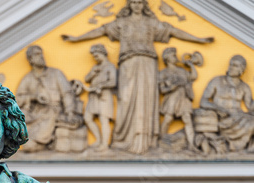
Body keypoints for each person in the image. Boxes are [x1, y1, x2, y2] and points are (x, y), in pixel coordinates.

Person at [62, 0, 213, 154]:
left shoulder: (151, 23)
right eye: (133, 2)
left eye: (139, 2)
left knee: (146, 98)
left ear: (144, 5)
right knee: (126, 98)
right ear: (129, 5)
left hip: (148, 64)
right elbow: (100, 30)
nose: (136, 5)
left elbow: (173, 31)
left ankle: (146, 141)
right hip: (127, 64)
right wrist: (77, 38)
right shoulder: (122, 23)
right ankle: (124, 140)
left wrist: (198, 40)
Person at [16, 45, 76, 152]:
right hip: (35, 114)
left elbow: (67, 93)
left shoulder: (56, 74)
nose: (42, 57)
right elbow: (18, 100)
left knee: (30, 145)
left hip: (53, 112)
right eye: (37, 54)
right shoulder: (28, 79)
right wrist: (34, 97)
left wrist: (70, 112)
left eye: (41, 53)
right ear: (31, 59)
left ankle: (44, 140)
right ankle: (41, 140)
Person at [199, 55, 254, 152]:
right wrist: (217, 108)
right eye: (231, 64)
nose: (231, 67)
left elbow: (250, 106)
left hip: (239, 117)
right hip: (222, 118)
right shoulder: (217, 81)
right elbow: (203, 101)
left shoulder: (244, 87)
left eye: (235, 65)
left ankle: (247, 148)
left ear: (242, 69)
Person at [158, 47, 198, 151]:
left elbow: (193, 77)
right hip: (171, 98)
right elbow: (162, 90)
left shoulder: (182, 71)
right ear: (167, 58)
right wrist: (173, 87)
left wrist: (191, 66)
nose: (176, 57)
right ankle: (161, 142)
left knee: (188, 120)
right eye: (173, 55)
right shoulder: (163, 73)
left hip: (183, 97)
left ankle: (191, 145)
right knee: (168, 119)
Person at [83, 44, 117, 151]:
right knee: (87, 118)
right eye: (94, 56)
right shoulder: (95, 67)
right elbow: (87, 79)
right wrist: (93, 73)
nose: (95, 58)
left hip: (104, 95)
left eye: (97, 56)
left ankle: (104, 144)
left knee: (104, 119)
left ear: (103, 53)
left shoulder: (110, 67)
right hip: (93, 95)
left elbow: (113, 82)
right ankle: (98, 139)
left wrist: (101, 86)